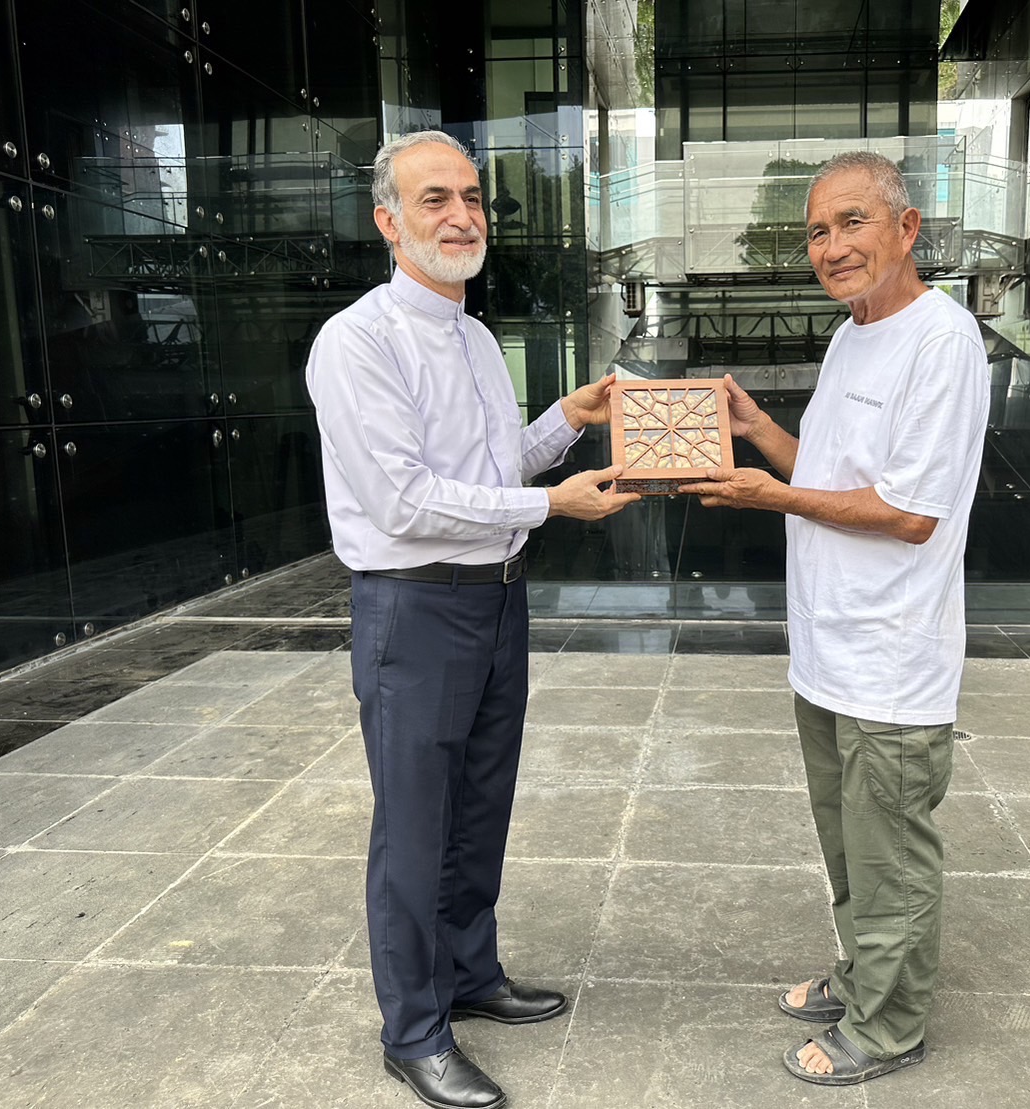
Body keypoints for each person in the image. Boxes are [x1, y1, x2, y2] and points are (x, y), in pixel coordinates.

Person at [304, 130, 638, 1109]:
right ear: (388, 220)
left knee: (479, 805)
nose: (462, 216)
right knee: (414, 825)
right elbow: (406, 500)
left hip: (495, 598)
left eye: (473, 198)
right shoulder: (358, 342)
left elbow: (491, 472)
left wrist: (568, 419)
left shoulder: (477, 337)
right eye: (435, 199)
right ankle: (413, 1029)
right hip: (413, 608)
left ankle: (469, 972)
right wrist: (553, 505)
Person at [681, 150, 990, 1086]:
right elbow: (828, 471)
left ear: (907, 227)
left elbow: (909, 512)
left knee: (890, 853)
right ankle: (862, 976)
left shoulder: (941, 341)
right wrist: (755, 431)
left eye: (852, 222)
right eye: (817, 231)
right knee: (850, 844)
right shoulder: (853, 334)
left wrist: (769, 494)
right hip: (826, 650)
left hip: (890, 659)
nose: (831, 246)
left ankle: (887, 1027)